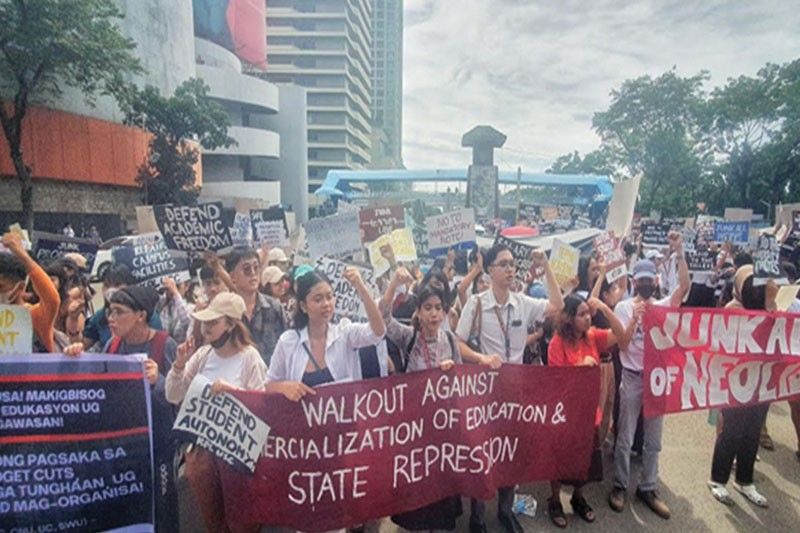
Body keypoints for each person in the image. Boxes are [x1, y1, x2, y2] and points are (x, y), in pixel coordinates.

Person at [454, 243, 564, 533]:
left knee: (510, 454)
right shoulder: (476, 303)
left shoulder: (523, 302)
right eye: (503, 264)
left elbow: (558, 305)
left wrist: (547, 265)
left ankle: (505, 512)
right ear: (489, 270)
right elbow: (458, 342)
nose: (510, 269)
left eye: (513, 264)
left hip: (516, 392)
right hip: (485, 393)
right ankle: (477, 518)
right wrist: (481, 358)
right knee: (483, 455)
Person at [166, 292, 266, 533]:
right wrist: (179, 365)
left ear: (231, 324)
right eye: (205, 322)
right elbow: (173, 395)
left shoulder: (250, 358)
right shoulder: (202, 355)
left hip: (237, 453)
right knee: (212, 519)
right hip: (202, 451)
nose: (206, 328)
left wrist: (232, 392)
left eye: (213, 322)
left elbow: (262, 405)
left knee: (242, 520)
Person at [609, 232, 690, 520]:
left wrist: (679, 251)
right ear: (634, 282)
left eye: (649, 279)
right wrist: (635, 318)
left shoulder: (664, 304)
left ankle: (648, 487)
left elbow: (683, 287)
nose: (644, 284)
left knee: (653, 439)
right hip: (631, 377)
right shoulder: (623, 307)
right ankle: (619, 485)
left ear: (655, 281)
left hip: (657, 379)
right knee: (625, 436)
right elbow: (622, 343)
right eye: (640, 280)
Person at [380, 267, 464, 530]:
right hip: (415, 430)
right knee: (419, 489)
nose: (434, 313)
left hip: (443, 428)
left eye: (438, 307)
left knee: (442, 486)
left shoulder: (450, 340)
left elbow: (462, 383)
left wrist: (452, 375)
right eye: (427, 307)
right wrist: (394, 281)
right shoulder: (409, 337)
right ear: (418, 311)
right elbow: (383, 318)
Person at [546, 294, 626, 528]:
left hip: (588, 414)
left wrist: (604, 309)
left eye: (588, 313)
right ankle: (555, 501)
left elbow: (621, 337)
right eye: (581, 314)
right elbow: (555, 381)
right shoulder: (557, 343)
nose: (588, 318)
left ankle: (578, 498)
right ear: (569, 318)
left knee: (584, 460)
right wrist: (579, 368)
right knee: (560, 461)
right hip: (565, 415)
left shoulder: (592, 337)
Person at [104, 286, 178, 532]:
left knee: (162, 512)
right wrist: (74, 355)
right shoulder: (111, 347)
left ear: (141, 315)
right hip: (123, 449)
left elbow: (178, 397)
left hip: (159, 449)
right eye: (109, 312)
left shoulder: (164, 344)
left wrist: (159, 381)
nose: (111, 319)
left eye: (119, 312)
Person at [706, 266, 774, 508]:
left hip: (761, 381)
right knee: (731, 433)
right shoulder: (732, 310)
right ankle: (718, 480)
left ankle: (745, 481)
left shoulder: (769, 311)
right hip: (736, 383)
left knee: (752, 433)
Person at [265, 267, 385, 398]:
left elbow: (377, 332)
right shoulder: (288, 342)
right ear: (303, 306)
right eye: (318, 299)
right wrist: (284, 387)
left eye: (329, 297)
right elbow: (269, 385)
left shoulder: (344, 333)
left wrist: (361, 288)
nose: (326, 304)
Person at [222, 247, 286, 366]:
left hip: (272, 378)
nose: (253, 273)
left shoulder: (274, 306)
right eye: (246, 269)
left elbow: (287, 344)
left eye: (256, 268)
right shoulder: (225, 313)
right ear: (232, 276)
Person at [1, 232, 60, 352]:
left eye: (1, 287)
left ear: (20, 287)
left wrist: (23, 257)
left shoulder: (33, 316)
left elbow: (52, 299)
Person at [83, 264, 162, 350]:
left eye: (117, 285)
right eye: (107, 285)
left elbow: (157, 346)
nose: (111, 290)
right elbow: (84, 346)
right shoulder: (99, 317)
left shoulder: (149, 316)